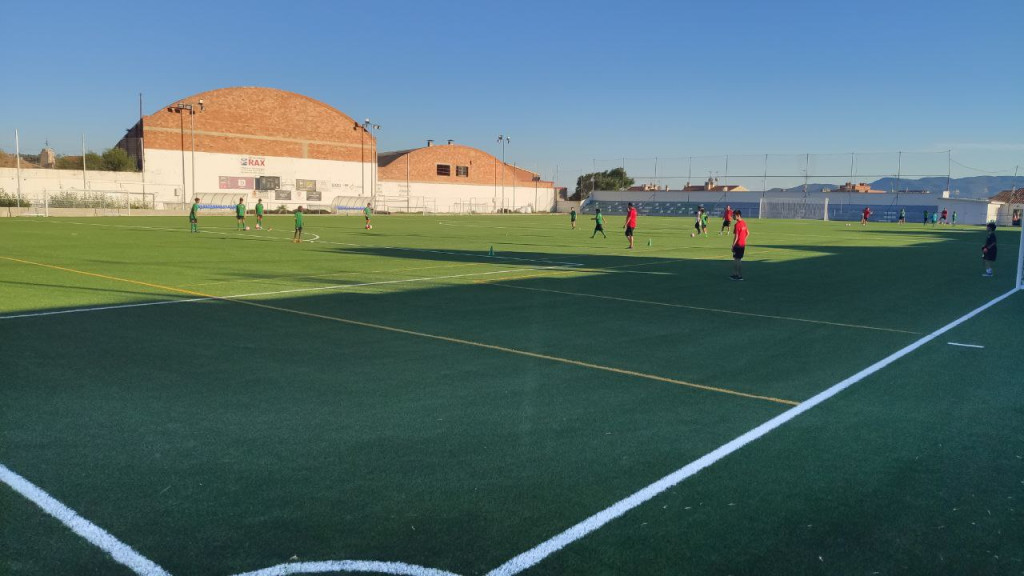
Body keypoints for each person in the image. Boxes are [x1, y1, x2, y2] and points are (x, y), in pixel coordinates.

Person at [730, 210, 749, 281]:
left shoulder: (737, 224)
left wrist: (733, 245)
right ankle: (738, 274)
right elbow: (748, 233)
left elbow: (736, 237)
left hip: (737, 245)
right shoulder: (744, 223)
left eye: (734, 215)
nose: (733, 216)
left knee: (736, 260)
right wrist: (744, 240)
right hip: (742, 245)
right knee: (739, 259)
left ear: (738, 215)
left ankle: (737, 275)